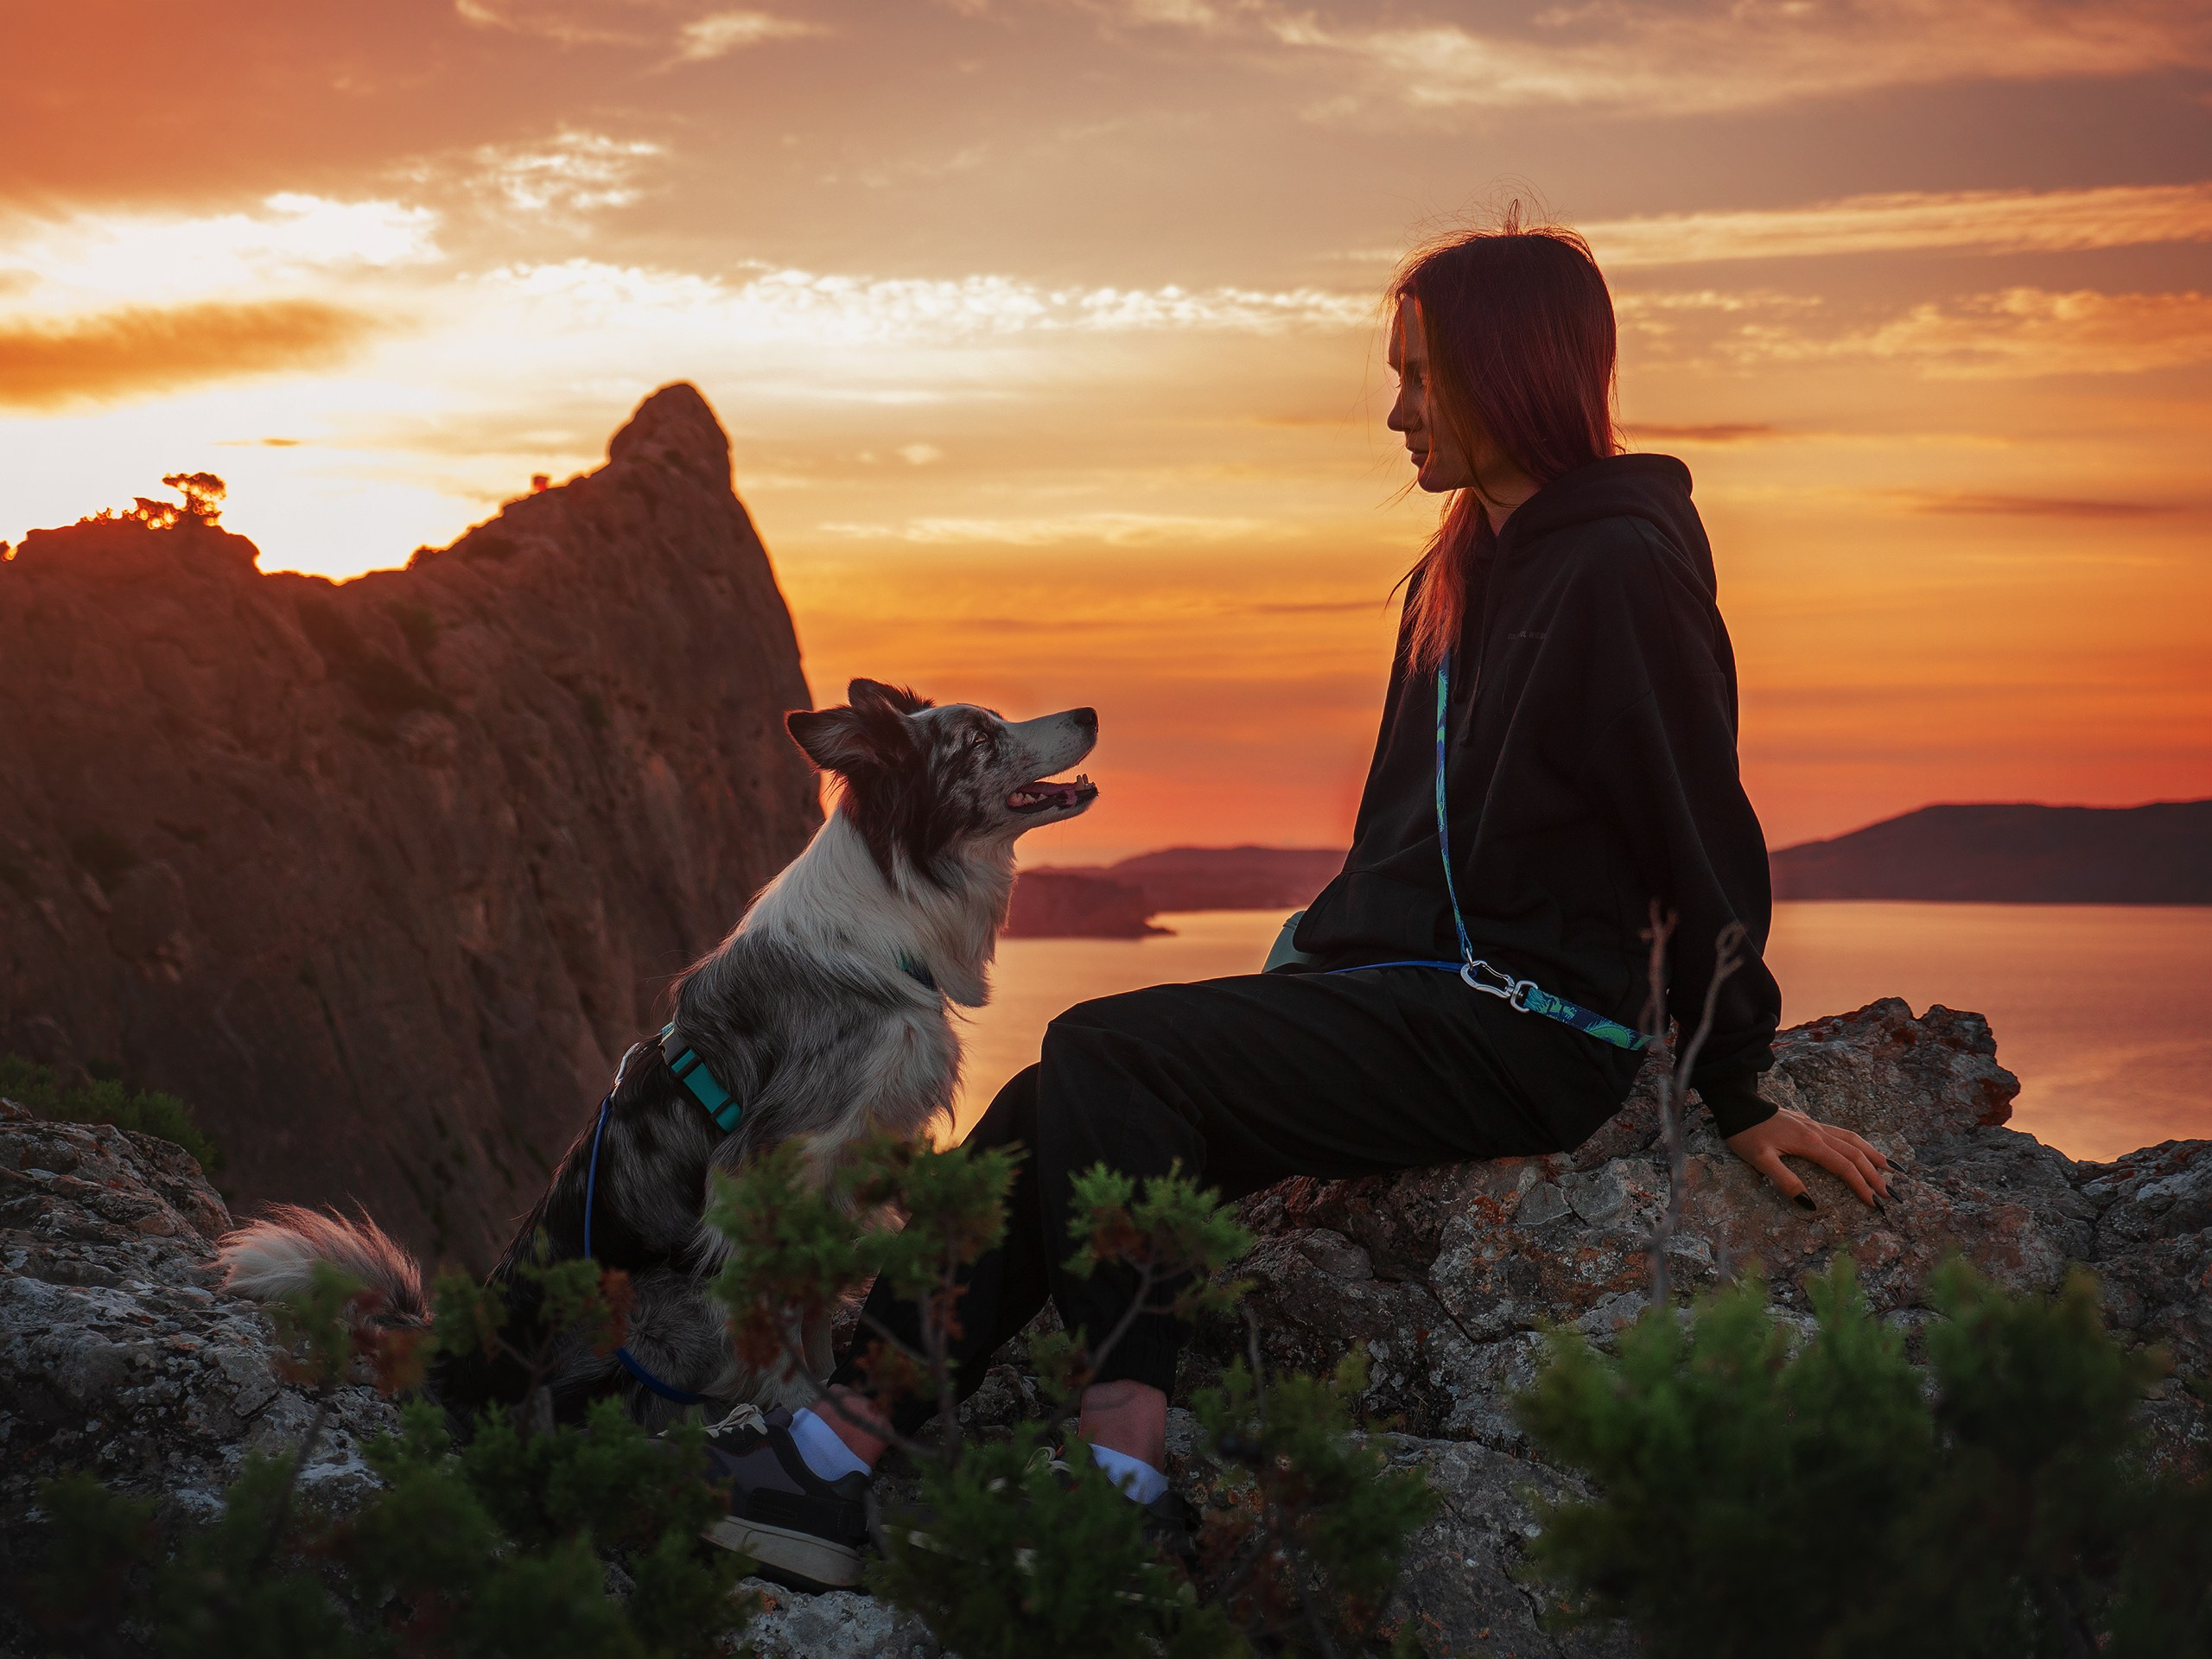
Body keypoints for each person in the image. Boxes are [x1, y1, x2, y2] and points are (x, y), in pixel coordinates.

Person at [697, 213, 1894, 1587]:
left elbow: (1700, 824)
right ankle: (837, 1459)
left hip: (1536, 1032)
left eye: (1420, 377)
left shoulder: (1624, 566)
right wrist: (1305, 981)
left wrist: (1737, 1083)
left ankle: (1121, 1487)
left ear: (1511, 372)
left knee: (1103, 1049)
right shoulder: (1457, 571)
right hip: (1410, 996)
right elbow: (1399, 837)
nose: (1397, 413)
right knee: (1049, 1105)